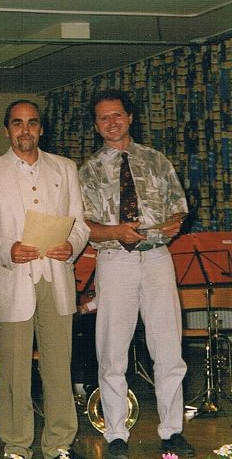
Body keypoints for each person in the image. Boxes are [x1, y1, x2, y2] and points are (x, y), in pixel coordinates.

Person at [0, 100, 89, 459]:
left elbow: (80, 223)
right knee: (13, 370)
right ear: (6, 130)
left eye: (32, 123)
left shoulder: (65, 168)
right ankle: (16, 444)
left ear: (41, 128)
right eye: (18, 123)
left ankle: (60, 442)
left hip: (56, 278)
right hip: (13, 279)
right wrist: (6, 250)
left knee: (58, 366)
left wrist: (71, 245)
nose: (26, 130)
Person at [78, 90, 194, 459]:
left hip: (157, 258)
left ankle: (172, 432)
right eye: (103, 118)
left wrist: (174, 223)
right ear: (96, 126)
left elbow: (179, 208)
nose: (112, 123)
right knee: (112, 351)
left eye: (117, 115)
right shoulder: (88, 171)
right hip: (115, 262)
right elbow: (84, 225)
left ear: (130, 117)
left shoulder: (156, 160)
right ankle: (116, 433)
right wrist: (115, 231)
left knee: (169, 349)